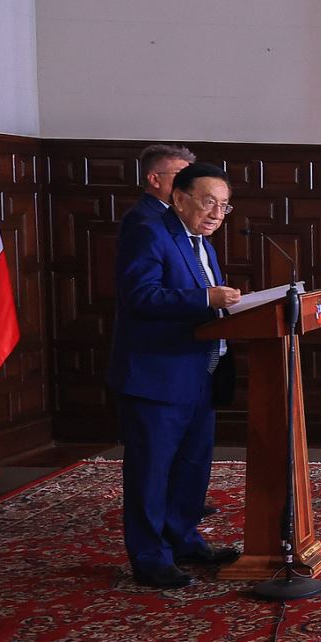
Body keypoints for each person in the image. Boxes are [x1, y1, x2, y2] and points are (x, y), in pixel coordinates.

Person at [108, 163, 243, 589]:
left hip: (199, 372)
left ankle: (183, 539)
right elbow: (141, 295)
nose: (217, 213)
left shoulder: (202, 242)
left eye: (224, 205)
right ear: (179, 197)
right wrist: (207, 297)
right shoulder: (150, 231)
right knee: (151, 470)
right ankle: (150, 558)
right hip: (157, 374)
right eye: (208, 202)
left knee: (192, 466)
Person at [123, 143, 194, 228]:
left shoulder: (176, 211)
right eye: (180, 174)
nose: (187, 181)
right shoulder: (143, 219)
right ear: (155, 180)